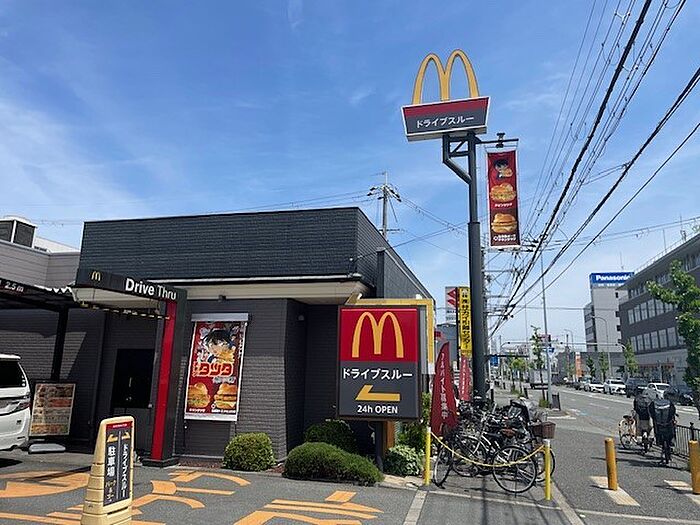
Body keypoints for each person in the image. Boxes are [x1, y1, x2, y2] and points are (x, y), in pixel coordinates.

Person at [649, 397, 676, 465]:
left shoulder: (654, 403)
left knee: (660, 436)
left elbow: (651, 413)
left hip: (658, 424)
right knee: (670, 436)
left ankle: (661, 444)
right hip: (668, 424)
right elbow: (673, 412)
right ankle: (671, 445)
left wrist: (655, 419)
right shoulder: (669, 403)